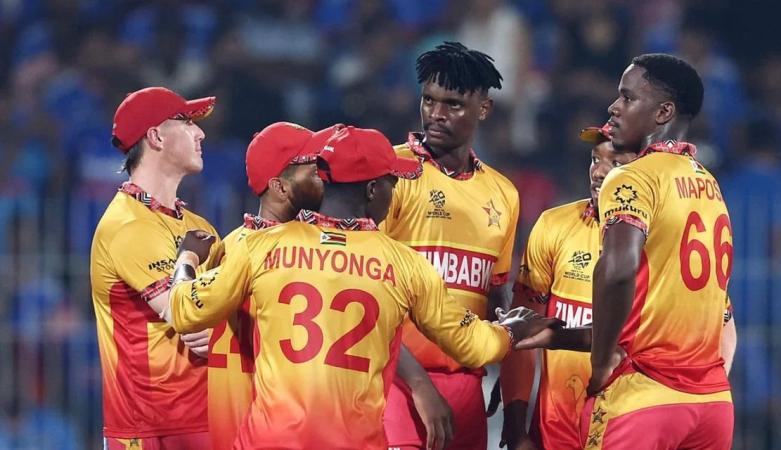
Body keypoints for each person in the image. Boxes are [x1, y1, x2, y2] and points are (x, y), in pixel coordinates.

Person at [164, 126, 557, 450]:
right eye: (391, 182)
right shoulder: (402, 264)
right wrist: (511, 331)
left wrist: (187, 259)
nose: (395, 191)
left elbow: (185, 310)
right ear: (372, 191)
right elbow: (474, 346)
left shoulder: (261, 246)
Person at [582, 54, 733, 449]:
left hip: (645, 392)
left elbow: (618, 271)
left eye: (628, 97)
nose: (614, 107)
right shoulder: (709, 183)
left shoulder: (632, 177)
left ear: (664, 112)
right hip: (712, 402)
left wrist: (600, 362)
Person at [381, 41, 520, 450]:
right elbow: (370, 292)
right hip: (396, 380)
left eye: (453, 104)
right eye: (429, 100)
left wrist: (508, 378)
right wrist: (420, 387)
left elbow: (496, 294)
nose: (436, 114)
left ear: (484, 109)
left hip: (466, 386)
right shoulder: (391, 173)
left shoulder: (504, 193)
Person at [90, 87, 219, 449]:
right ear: (156, 137)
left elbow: (223, 322)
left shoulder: (199, 226)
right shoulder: (128, 226)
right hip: (148, 431)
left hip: (206, 417)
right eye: (187, 122)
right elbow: (189, 317)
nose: (200, 133)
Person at [499, 124, 639, 450]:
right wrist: (516, 425)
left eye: (616, 163)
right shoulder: (554, 225)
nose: (599, 172)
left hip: (629, 431)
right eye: (595, 159)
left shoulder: (663, 240)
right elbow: (521, 332)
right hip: (555, 434)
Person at [205, 122, 335, 450]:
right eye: (314, 170)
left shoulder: (232, 244)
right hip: (264, 429)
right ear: (280, 187)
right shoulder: (295, 253)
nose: (325, 177)